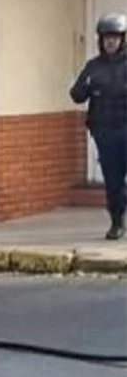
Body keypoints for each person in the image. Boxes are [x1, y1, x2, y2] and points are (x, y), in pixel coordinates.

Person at [70, 13, 127, 241]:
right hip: (106, 133)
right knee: (113, 181)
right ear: (100, 41)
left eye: (115, 37)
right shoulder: (93, 67)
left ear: (123, 39)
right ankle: (116, 222)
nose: (110, 42)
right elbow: (76, 95)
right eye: (106, 38)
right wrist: (86, 86)